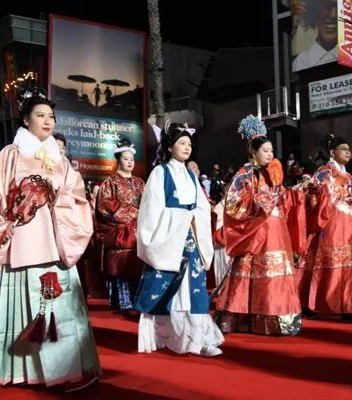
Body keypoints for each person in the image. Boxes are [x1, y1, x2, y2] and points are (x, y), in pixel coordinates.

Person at [0, 86, 101, 391]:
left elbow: (75, 198)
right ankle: (17, 371)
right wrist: (1, 224)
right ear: (26, 119)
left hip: (52, 243)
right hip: (19, 244)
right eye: (40, 115)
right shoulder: (10, 155)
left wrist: (57, 210)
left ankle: (63, 372)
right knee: (18, 311)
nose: (48, 121)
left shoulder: (59, 161)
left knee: (60, 312)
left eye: (51, 116)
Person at [135, 121, 224, 357]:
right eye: (182, 143)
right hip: (170, 240)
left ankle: (198, 340)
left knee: (194, 290)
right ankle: (167, 336)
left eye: (189, 144)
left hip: (191, 238)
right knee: (170, 288)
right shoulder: (160, 173)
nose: (187, 147)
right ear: (170, 147)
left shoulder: (191, 176)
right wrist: (182, 216)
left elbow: (202, 207)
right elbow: (151, 210)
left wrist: (194, 215)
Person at [214, 115, 302, 336]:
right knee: (251, 270)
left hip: (276, 229)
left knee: (277, 271)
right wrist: (262, 204)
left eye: (271, 150)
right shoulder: (244, 175)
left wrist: (298, 192)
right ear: (253, 152)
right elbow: (233, 204)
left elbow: (282, 198)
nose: (270, 154)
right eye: (265, 150)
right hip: (256, 231)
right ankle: (246, 319)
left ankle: (279, 319)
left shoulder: (272, 174)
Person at [296, 137, 352, 323]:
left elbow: (350, 198)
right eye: (343, 149)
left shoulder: (348, 176)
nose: (348, 152)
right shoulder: (324, 172)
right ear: (332, 152)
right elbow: (313, 196)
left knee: (349, 264)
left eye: (349, 149)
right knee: (330, 263)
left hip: (348, 224)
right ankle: (318, 303)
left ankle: (350, 304)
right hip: (331, 224)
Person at [95, 139, 145, 313]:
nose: (130, 162)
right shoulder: (110, 182)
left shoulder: (140, 182)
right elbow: (104, 206)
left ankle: (138, 300)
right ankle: (122, 302)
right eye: (126, 158)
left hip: (139, 230)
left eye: (132, 158)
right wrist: (133, 212)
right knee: (122, 265)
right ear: (118, 160)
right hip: (121, 231)